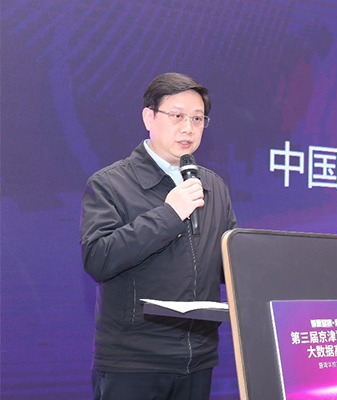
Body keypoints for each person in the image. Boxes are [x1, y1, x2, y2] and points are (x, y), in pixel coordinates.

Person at [80, 72, 237, 400]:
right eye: (177, 116)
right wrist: (169, 214)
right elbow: (98, 259)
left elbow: (227, 265)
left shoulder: (214, 186)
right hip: (133, 363)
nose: (188, 128)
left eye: (197, 119)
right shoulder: (110, 183)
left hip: (198, 359)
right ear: (148, 117)